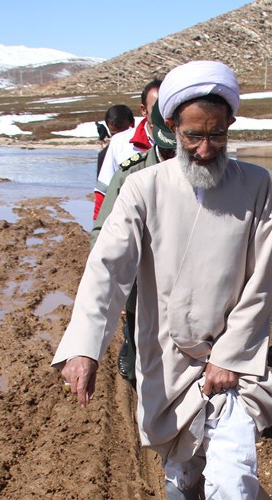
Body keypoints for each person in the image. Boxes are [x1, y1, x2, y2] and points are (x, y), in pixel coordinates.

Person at [55, 60, 272, 500]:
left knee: (233, 475)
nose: (205, 148)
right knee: (181, 472)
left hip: (233, 365)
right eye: (192, 135)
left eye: (217, 135)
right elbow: (108, 270)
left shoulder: (256, 185)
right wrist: (84, 345)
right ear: (170, 128)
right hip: (168, 363)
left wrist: (231, 355)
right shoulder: (144, 190)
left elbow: (260, 282)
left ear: (231, 126)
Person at [91, 102, 179, 384]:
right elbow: (103, 231)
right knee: (140, 341)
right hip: (139, 281)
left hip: (185, 290)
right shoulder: (132, 172)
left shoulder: (207, 171)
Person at [93, 78, 162, 219]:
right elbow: (103, 193)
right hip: (129, 227)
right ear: (144, 110)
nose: (162, 113)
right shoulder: (120, 143)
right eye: (156, 108)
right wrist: (98, 235)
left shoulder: (186, 143)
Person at [96, 104, 135, 177]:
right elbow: (102, 187)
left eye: (124, 134)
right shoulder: (104, 155)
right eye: (115, 135)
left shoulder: (147, 148)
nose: (119, 139)